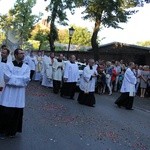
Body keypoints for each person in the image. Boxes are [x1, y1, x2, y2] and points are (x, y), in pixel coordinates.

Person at [0, 48, 30, 139]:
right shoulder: (8, 66)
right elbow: (7, 79)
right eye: (20, 53)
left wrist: (14, 78)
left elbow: (26, 80)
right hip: (8, 93)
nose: (23, 55)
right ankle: (2, 131)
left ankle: (12, 131)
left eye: (23, 53)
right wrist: (20, 79)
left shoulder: (26, 67)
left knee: (16, 113)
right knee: (6, 112)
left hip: (19, 95)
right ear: (16, 55)